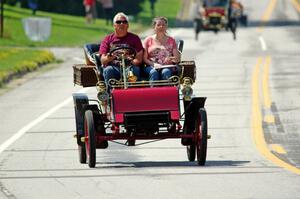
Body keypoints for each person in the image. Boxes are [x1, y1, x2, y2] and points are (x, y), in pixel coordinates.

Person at [99, 12, 143, 89]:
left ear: (128, 25)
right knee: (108, 70)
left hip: (129, 67)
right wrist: (110, 58)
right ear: (114, 25)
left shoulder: (135, 38)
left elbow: (139, 59)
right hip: (114, 67)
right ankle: (110, 96)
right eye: (118, 22)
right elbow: (103, 60)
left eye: (124, 22)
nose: (122, 24)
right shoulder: (108, 39)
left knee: (134, 70)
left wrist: (130, 60)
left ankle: (134, 95)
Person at [143, 16, 181, 82]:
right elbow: (145, 58)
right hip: (151, 66)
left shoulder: (171, 40)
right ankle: (153, 91)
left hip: (167, 66)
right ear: (154, 27)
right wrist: (153, 64)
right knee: (153, 72)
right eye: (158, 25)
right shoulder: (148, 40)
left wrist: (171, 58)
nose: (161, 27)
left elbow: (177, 59)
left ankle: (166, 91)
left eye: (163, 25)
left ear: (166, 27)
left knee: (166, 72)